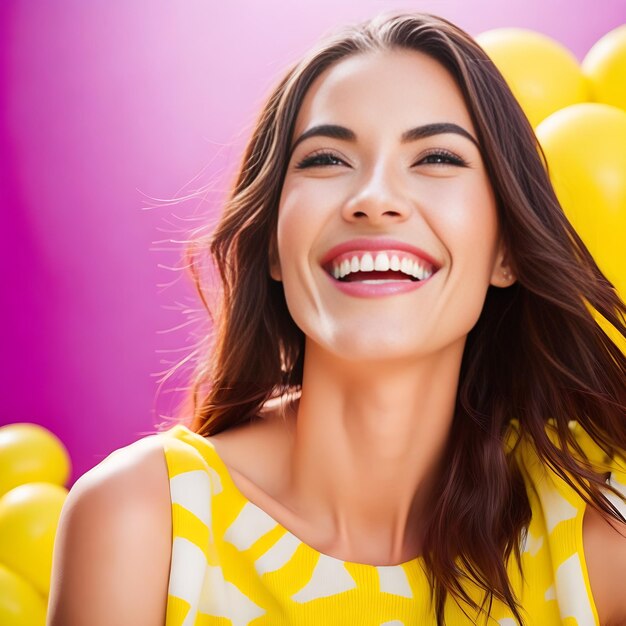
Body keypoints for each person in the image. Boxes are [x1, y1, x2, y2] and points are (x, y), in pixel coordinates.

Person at [47, 11, 626, 626]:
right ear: (272, 242)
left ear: (506, 250)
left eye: (435, 157)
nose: (373, 198)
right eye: (326, 159)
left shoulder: (596, 532)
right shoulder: (143, 524)